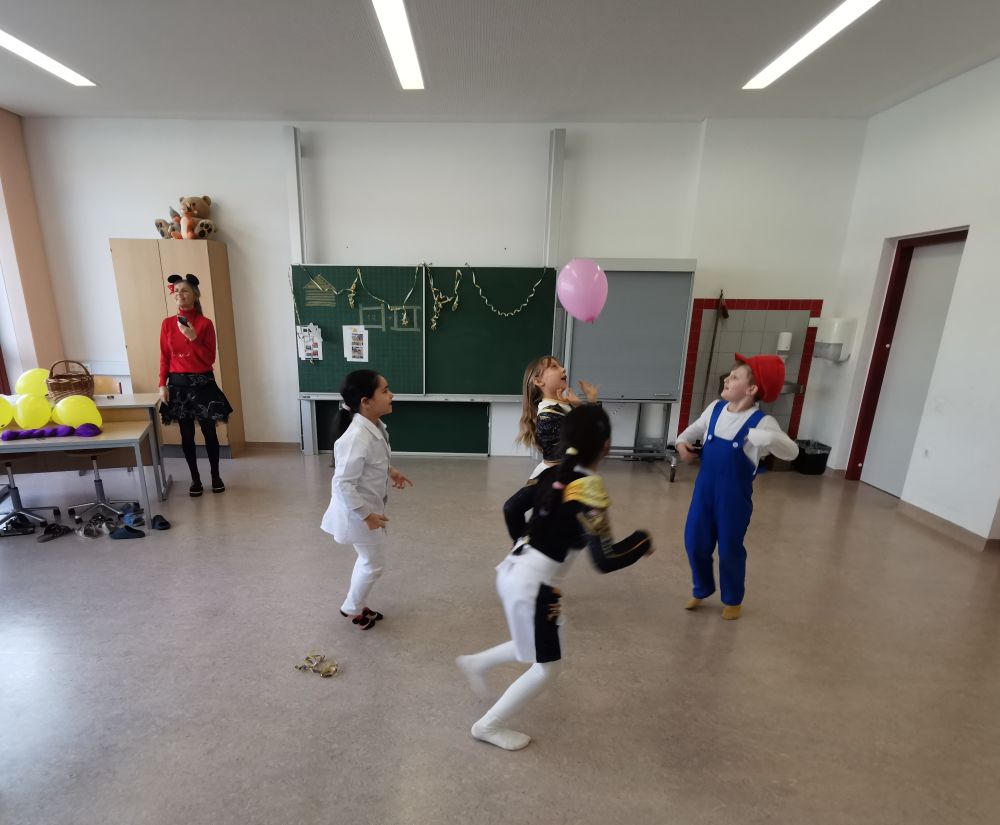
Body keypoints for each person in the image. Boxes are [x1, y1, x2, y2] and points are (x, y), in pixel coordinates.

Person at [457, 404, 654, 750]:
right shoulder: (589, 489)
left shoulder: (551, 473)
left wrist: (527, 549)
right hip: (532, 587)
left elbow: (511, 508)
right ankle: (488, 726)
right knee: (547, 667)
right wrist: (642, 541)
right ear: (606, 446)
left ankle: (476, 662)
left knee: (536, 641)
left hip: (512, 571)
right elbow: (605, 559)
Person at [675, 353, 799, 620]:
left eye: (734, 377)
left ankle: (733, 598)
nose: (727, 379)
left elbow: (792, 452)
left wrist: (767, 438)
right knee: (695, 541)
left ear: (752, 389)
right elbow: (688, 432)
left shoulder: (762, 422)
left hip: (733, 500)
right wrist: (681, 444)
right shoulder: (715, 409)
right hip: (703, 494)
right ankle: (702, 587)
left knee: (730, 549)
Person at [320, 370, 412, 630]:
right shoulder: (356, 437)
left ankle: (356, 604)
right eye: (385, 390)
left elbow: (374, 460)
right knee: (373, 564)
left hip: (365, 510)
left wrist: (391, 471)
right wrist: (366, 515)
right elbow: (342, 483)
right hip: (357, 514)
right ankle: (351, 608)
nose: (391, 395)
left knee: (368, 560)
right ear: (366, 402)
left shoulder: (375, 427)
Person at [503, 355, 599, 542]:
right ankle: (524, 547)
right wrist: (585, 407)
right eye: (554, 367)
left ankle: (530, 546)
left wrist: (583, 405)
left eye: (561, 366)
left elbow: (594, 434)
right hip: (555, 476)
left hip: (569, 476)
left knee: (581, 533)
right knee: (513, 508)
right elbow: (581, 443)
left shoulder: (564, 404)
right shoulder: (548, 415)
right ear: (538, 381)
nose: (563, 369)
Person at [158, 273, 234, 497]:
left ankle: (215, 476)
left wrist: (193, 337)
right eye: (177, 291)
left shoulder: (205, 324)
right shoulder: (167, 324)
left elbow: (209, 358)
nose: (180, 294)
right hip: (178, 385)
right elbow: (164, 357)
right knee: (186, 435)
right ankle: (195, 479)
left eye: (185, 290)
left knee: (210, 432)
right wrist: (162, 384)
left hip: (203, 384)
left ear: (195, 295)